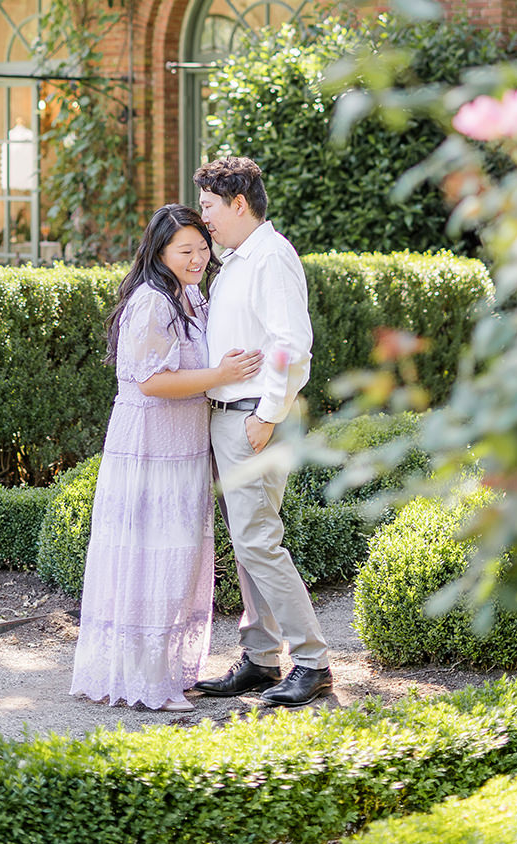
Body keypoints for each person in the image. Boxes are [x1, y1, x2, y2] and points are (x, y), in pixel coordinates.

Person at [70, 203, 262, 712]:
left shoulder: (190, 294)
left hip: (183, 445)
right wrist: (222, 375)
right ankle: (145, 682)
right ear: (159, 252)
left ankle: (162, 674)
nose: (198, 257)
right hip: (150, 445)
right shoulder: (153, 301)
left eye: (202, 247)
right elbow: (152, 383)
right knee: (149, 557)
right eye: (186, 250)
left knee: (177, 559)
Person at [191, 156, 333, 708]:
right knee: (249, 545)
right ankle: (261, 659)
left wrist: (266, 415)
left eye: (208, 207)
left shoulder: (270, 257)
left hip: (252, 417)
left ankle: (313, 662)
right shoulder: (239, 259)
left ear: (238, 204)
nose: (205, 219)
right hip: (234, 416)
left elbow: (291, 343)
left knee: (258, 542)